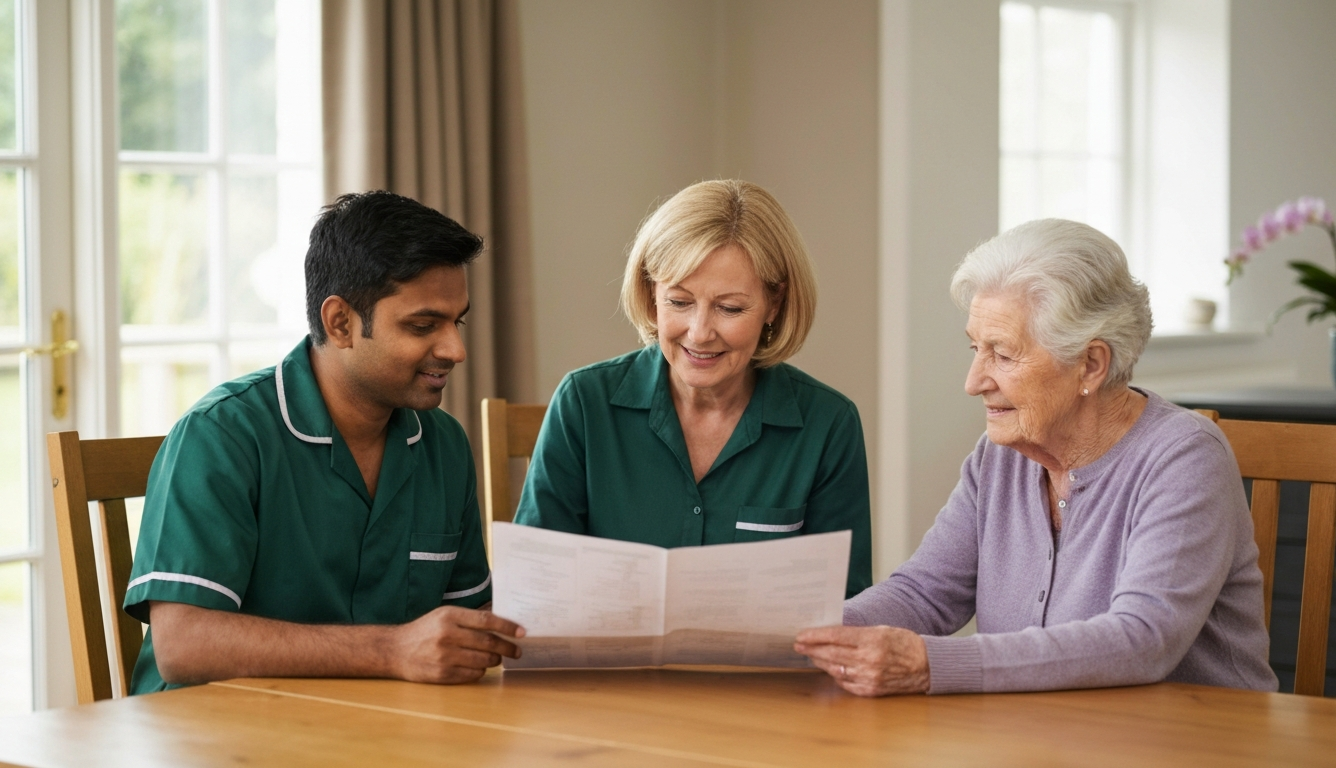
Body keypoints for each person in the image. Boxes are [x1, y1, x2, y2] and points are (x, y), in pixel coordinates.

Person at [795, 219, 1278, 696]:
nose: (974, 381)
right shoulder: (1000, 457)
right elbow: (924, 592)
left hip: (1193, 742)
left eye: (1002, 355)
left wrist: (931, 665)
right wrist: (803, 634)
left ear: (1091, 363)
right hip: (1043, 740)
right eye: (975, 349)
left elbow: (1143, 638)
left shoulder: (1184, 458)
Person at [124, 191, 523, 694]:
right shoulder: (222, 435)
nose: (455, 350)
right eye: (423, 325)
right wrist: (393, 651)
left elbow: (467, 619)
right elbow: (184, 646)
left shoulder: (443, 444)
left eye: (456, 322)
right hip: (214, 739)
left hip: (374, 730)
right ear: (340, 323)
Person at [515, 179, 872, 597]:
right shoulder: (582, 402)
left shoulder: (827, 424)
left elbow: (845, 606)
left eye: (729, 308)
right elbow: (533, 587)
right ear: (652, 294)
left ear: (774, 304)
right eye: (679, 302)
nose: (700, 334)